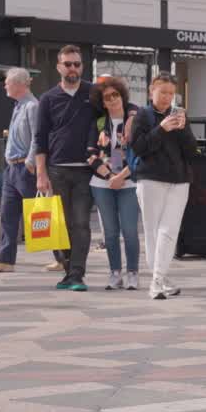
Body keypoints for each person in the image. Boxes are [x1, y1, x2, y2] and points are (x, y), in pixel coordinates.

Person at [35, 45, 98, 291]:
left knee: (81, 223)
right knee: (60, 224)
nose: (73, 68)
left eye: (77, 64)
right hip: (57, 170)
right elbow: (39, 138)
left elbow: (119, 107)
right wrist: (41, 173)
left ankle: (77, 274)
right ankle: (68, 269)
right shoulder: (48, 98)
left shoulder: (93, 93)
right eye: (68, 64)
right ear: (59, 67)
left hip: (85, 170)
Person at [130, 74, 196, 300]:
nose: (167, 97)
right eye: (163, 92)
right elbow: (139, 147)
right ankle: (160, 278)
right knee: (152, 232)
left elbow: (192, 151)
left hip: (179, 181)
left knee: (169, 231)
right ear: (151, 92)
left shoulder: (179, 115)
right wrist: (161, 129)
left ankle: (158, 280)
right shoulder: (142, 115)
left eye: (171, 93)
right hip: (150, 180)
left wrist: (184, 129)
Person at [0, 68, 39, 274]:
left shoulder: (32, 106)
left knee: (40, 213)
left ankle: (63, 256)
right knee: (8, 214)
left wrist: (31, 162)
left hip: (25, 167)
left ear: (19, 84)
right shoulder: (18, 106)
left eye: (7, 82)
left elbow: (37, 137)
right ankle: (5, 260)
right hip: (12, 168)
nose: (4, 85)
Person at [88, 78, 141, 290]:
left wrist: (122, 177)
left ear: (122, 96)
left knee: (129, 230)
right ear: (102, 103)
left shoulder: (135, 120)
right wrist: (110, 177)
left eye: (115, 95)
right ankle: (115, 272)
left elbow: (140, 153)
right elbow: (90, 154)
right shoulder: (99, 123)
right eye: (107, 98)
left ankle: (133, 273)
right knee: (109, 232)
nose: (112, 100)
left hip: (129, 183)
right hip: (102, 184)